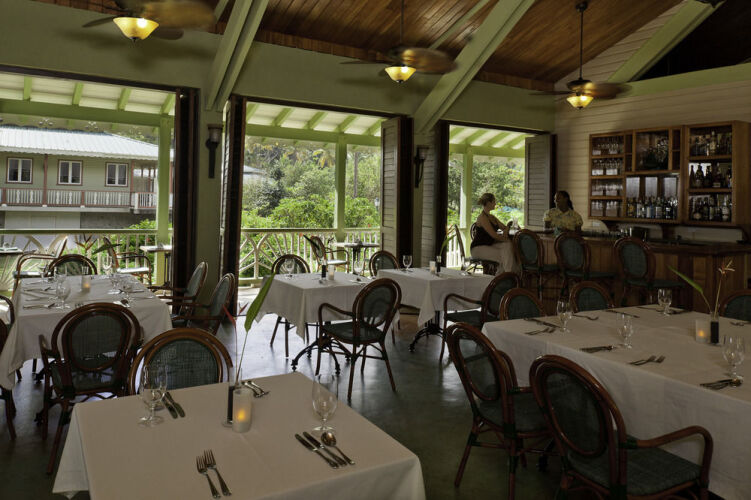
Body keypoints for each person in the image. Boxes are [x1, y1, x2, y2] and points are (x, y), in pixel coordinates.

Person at [469, 193, 518, 274]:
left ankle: (504, 276)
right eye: (494, 201)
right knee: (505, 256)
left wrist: (508, 227)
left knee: (507, 246)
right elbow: (494, 236)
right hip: (478, 249)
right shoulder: (482, 218)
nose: (495, 203)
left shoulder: (492, 217)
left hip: (488, 246)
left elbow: (504, 227)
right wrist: (506, 237)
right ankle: (507, 276)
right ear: (488, 203)